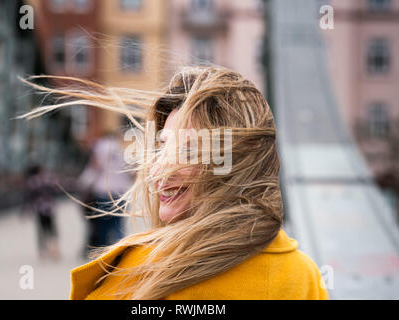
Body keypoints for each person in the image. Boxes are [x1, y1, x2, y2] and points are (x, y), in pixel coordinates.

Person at [23, 66, 329, 300]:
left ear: (235, 163)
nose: (158, 170)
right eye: (161, 148)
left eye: (188, 150)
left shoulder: (136, 276)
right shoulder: (303, 276)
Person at [78, 129, 133, 257]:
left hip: (103, 191)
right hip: (121, 193)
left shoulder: (100, 146)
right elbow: (132, 173)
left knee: (102, 228)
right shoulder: (123, 149)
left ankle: (102, 258)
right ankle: (121, 256)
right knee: (118, 227)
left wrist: (84, 184)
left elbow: (94, 168)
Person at [22, 164, 60, 260]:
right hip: (50, 207)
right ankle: (54, 247)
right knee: (51, 228)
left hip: (39, 208)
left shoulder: (31, 182)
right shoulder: (48, 179)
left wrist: (25, 211)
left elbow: (28, 197)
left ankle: (43, 251)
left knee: (42, 230)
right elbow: (56, 189)